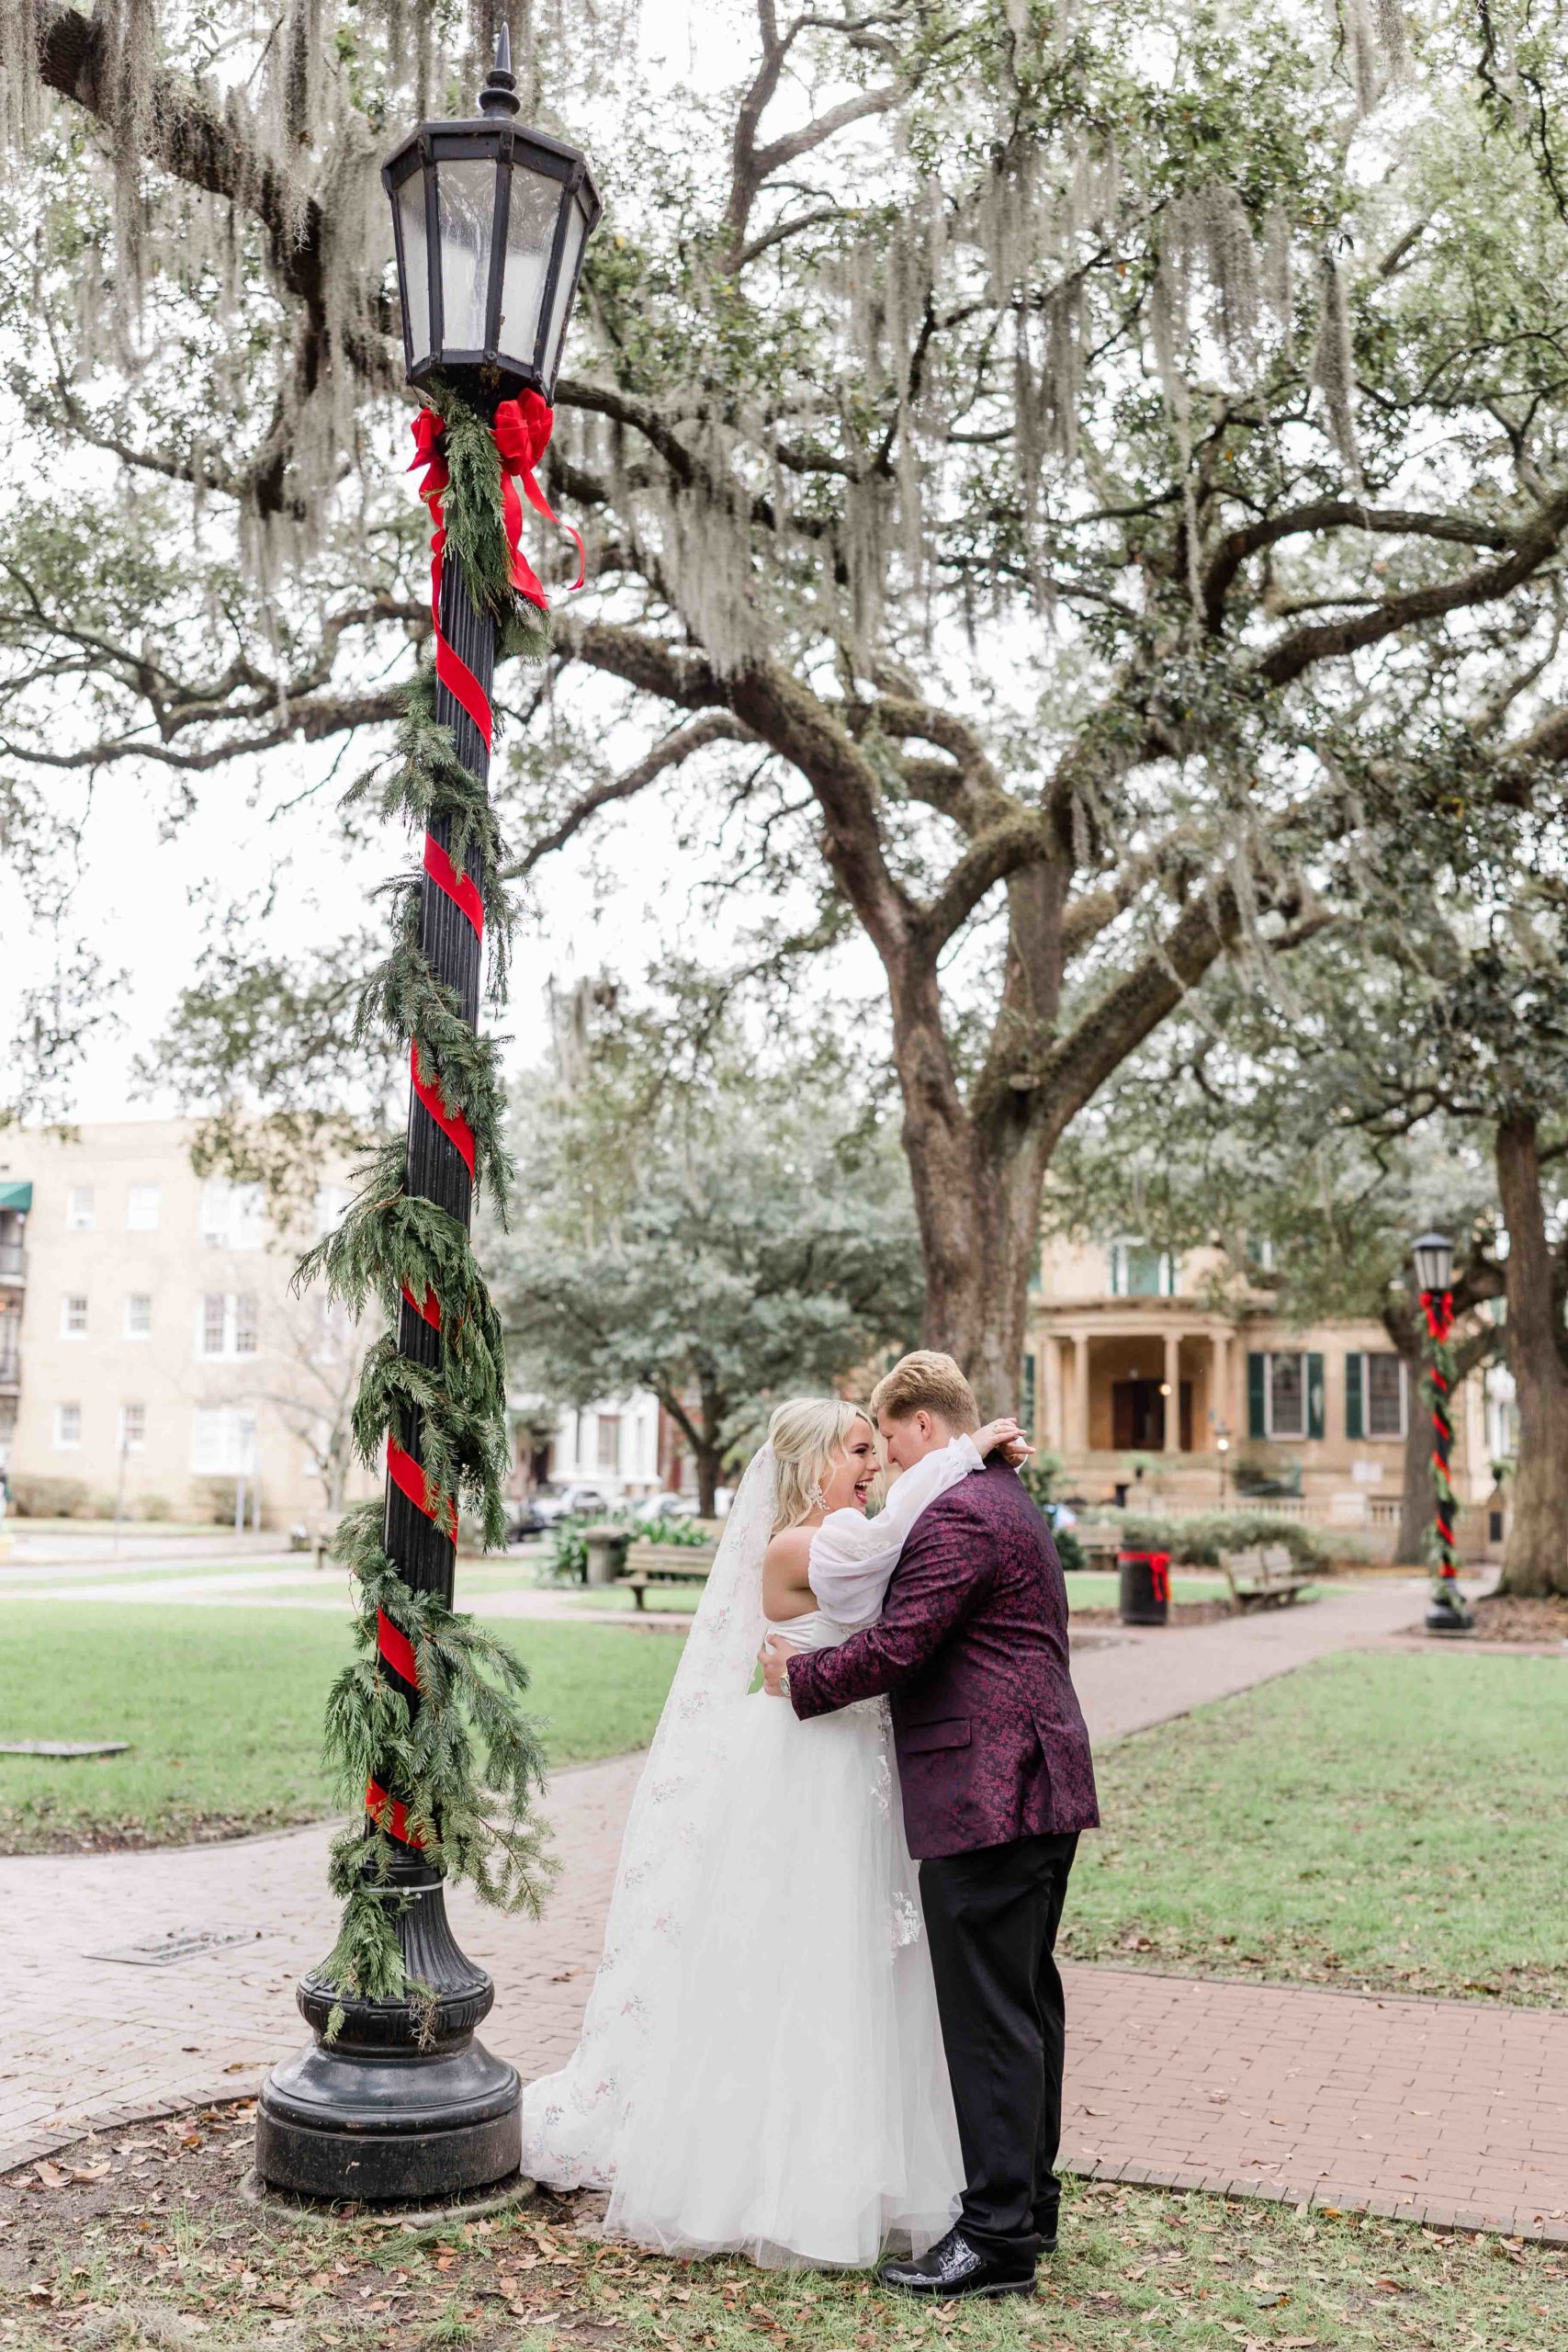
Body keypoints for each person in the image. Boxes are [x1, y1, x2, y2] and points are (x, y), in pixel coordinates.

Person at [520, 1392, 1026, 2267]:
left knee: (866, 1962)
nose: (875, 1467)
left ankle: (861, 2163)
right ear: (809, 1463)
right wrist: (962, 1453)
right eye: (858, 1451)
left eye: (877, 1451)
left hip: (856, 1760)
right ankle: (773, 2180)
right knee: (802, 1956)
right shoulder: (802, 1545)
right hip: (805, 1765)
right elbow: (889, 1538)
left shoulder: (841, 1536)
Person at [761, 1351, 1099, 2301]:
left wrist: (800, 1677)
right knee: (1025, 1999)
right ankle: (1027, 2204)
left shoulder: (961, 1511)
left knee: (992, 2013)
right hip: (1033, 1780)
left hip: (989, 1789)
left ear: (923, 1427)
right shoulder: (1002, 1498)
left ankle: (994, 2237)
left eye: (894, 1447)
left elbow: (901, 1644)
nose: (891, 1470)